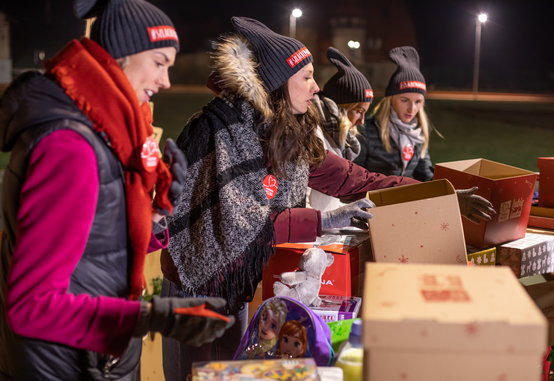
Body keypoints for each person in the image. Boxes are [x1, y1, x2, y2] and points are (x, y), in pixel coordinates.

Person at [162, 17, 494, 381]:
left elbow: (355, 179)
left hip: (236, 283)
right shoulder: (220, 132)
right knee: (195, 376)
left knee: (226, 374)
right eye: (305, 77)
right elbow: (241, 225)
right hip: (195, 283)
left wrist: (438, 196)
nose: (316, 87)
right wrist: (323, 221)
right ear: (274, 84)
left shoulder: (288, 135)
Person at [0, 0, 234, 379]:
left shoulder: (106, 132)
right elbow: (32, 307)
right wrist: (154, 316)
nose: (166, 82)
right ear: (120, 57)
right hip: (67, 364)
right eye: (159, 62)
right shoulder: (70, 147)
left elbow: (95, 249)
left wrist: (152, 214)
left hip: (94, 358)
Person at [354, 46, 436, 182]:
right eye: (404, 100)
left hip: (404, 201)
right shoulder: (366, 130)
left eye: (418, 102)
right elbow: (355, 177)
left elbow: (425, 175)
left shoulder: (418, 133)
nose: (412, 108)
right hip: (373, 201)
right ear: (390, 100)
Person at [308, 47, 374, 211]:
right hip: (312, 234)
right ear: (340, 108)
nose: (361, 121)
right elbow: (302, 201)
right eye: (358, 111)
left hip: (325, 232)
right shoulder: (313, 135)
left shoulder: (336, 137)